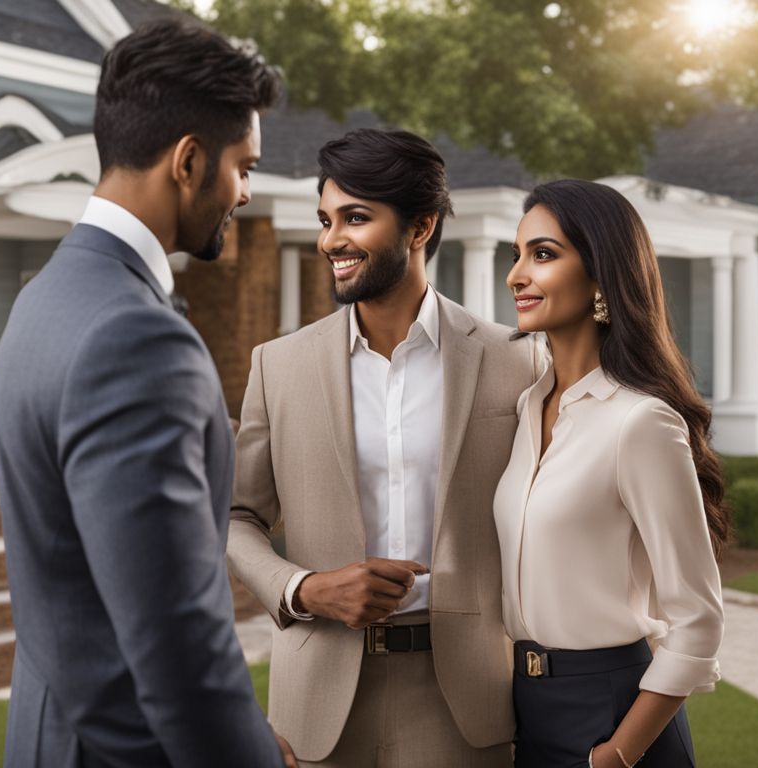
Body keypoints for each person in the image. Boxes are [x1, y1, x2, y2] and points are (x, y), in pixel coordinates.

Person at [0, 20, 295, 768]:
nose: (246, 193)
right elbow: (179, 646)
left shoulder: (44, 298)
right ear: (189, 161)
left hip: (46, 735)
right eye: (243, 166)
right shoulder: (134, 339)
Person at [227, 128, 535, 766]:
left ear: (420, 227)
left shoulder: (518, 361)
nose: (330, 240)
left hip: (467, 702)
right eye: (325, 220)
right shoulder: (277, 366)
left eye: (356, 218)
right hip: (318, 702)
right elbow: (233, 517)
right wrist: (303, 588)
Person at [494, 179, 730, 768]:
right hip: (527, 708)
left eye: (542, 255)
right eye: (516, 254)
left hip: (613, 718)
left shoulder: (640, 423)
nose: (516, 275)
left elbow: (698, 621)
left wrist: (617, 755)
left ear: (601, 278)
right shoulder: (526, 407)